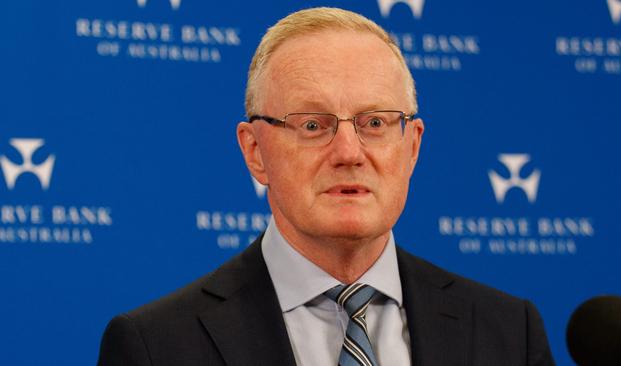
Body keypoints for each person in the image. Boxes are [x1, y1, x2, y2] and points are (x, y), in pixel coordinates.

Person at [98, 7, 555, 366]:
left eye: (375, 122)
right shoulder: (157, 347)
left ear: (412, 147)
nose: (349, 152)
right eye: (313, 124)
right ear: (255, 151)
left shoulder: (509, 332)